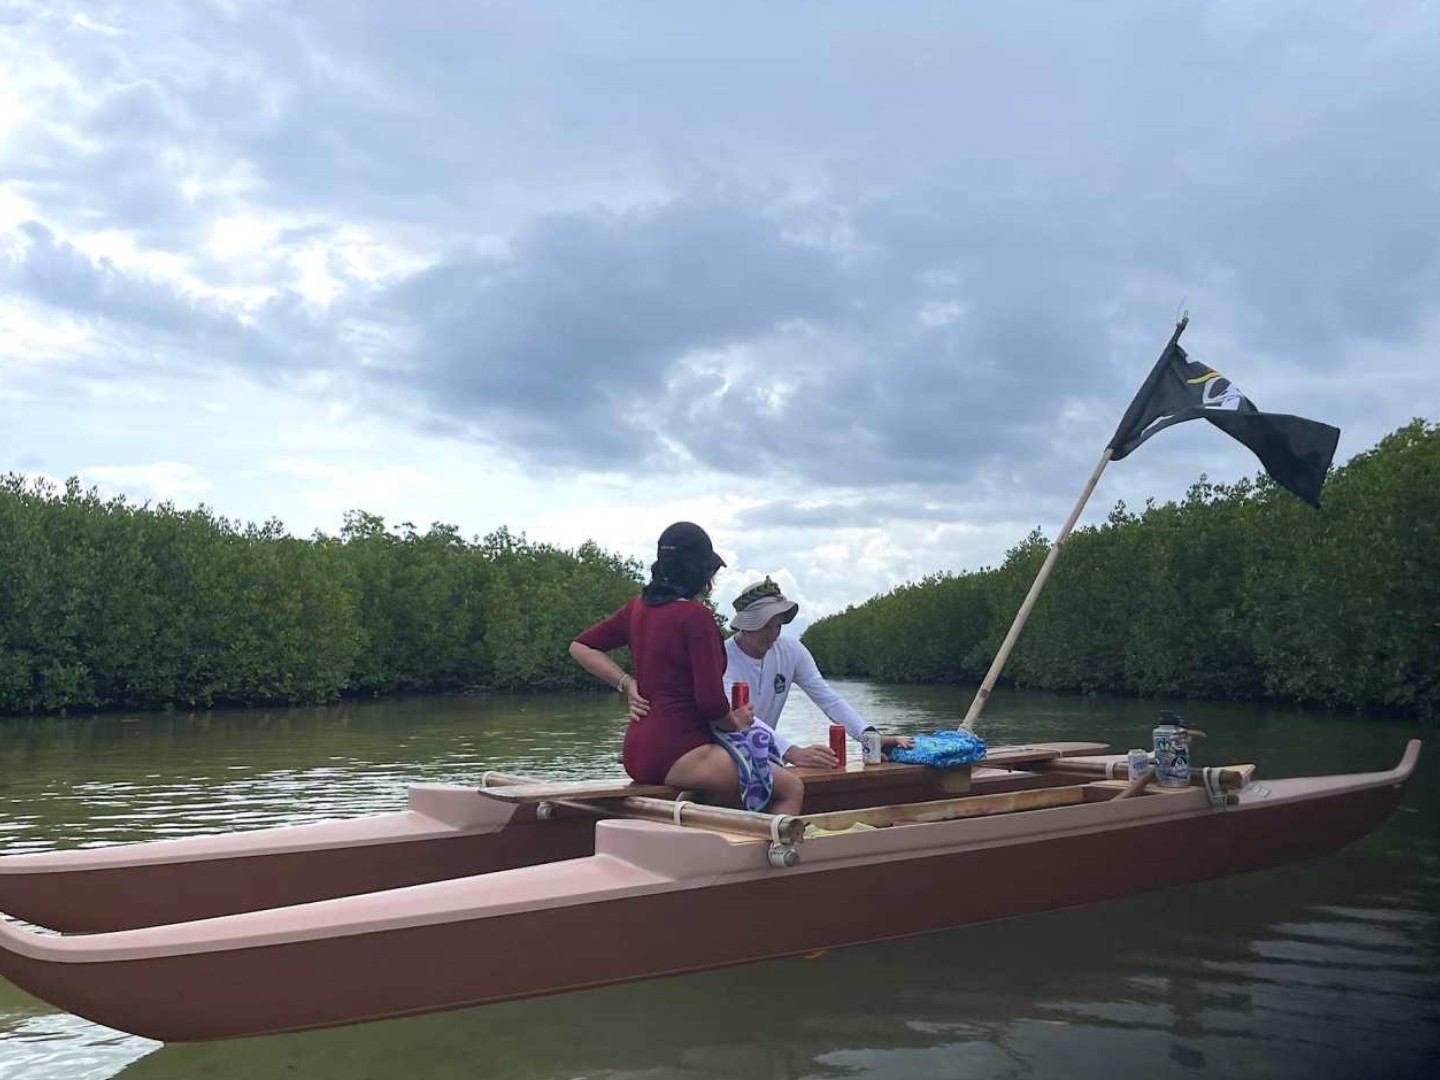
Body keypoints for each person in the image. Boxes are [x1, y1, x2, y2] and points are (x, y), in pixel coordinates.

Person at [569, 524, 804, 815]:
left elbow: (580, 646)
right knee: (791, 789)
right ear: (699, 573)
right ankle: (769, 856)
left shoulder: (637, 608)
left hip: (636, 751)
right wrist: (738, 722)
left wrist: (627, 683)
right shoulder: (695, 617)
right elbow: (710, 702)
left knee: (712, 792)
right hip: (680, 754)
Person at [721, 578, 913, 768]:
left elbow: (829, 699)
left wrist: (870, 736)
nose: (774, 634)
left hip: (767, 756)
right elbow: (736, 717)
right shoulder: (721, 658)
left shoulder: (792, 650)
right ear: (744, 627)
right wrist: (791, 751)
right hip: (724, 754)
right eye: (765, 627)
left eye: (778, 626)